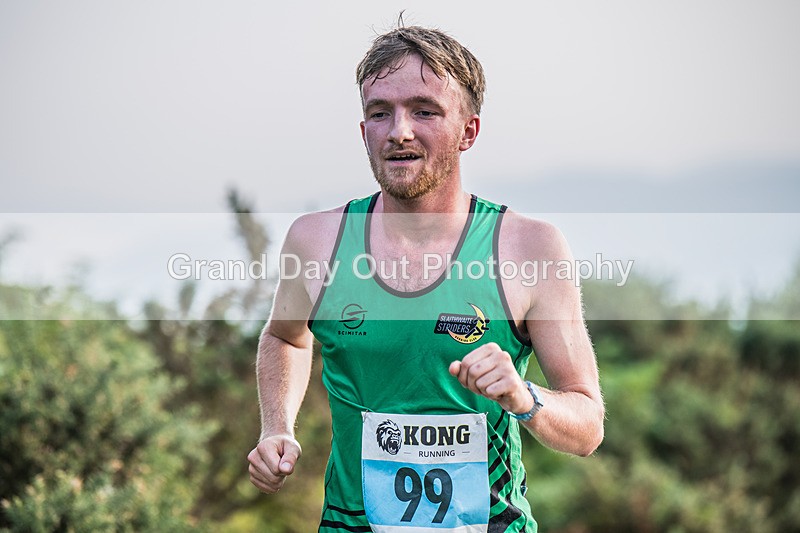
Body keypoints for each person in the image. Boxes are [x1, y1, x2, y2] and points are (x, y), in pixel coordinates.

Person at [248, 21, 604, 533]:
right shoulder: (315, 241)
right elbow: (286, 337)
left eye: (424, 110)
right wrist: (277, 427)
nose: (399, 131)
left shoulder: (530, 248)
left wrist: (525, 397)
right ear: (363, 129)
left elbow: (587, 426)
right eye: (380, 113)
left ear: (468, 131)